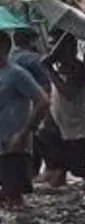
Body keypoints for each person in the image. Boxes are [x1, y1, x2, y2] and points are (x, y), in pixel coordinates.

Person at [41, 37, 85, 190]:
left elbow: (69, 93)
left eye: (56, 49)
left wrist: (49, 69)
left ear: (71, 50)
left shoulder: (81, 70)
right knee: (57, 172)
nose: (52, 52)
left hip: (79, 133)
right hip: (61, 130)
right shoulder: (62, 69)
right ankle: (65, 206)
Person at [0, 32, 50, 208]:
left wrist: (25, 132)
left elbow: (43, 101)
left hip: (14, 147)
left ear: (3, 48)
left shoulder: (17, 74)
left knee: (14, 199)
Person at [9, 29, 54, 179]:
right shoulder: (36, 60)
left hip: (11, 118)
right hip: (32, 112)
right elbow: (46, 88)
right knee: (33, 152)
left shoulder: (10, 60)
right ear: (32, 41)